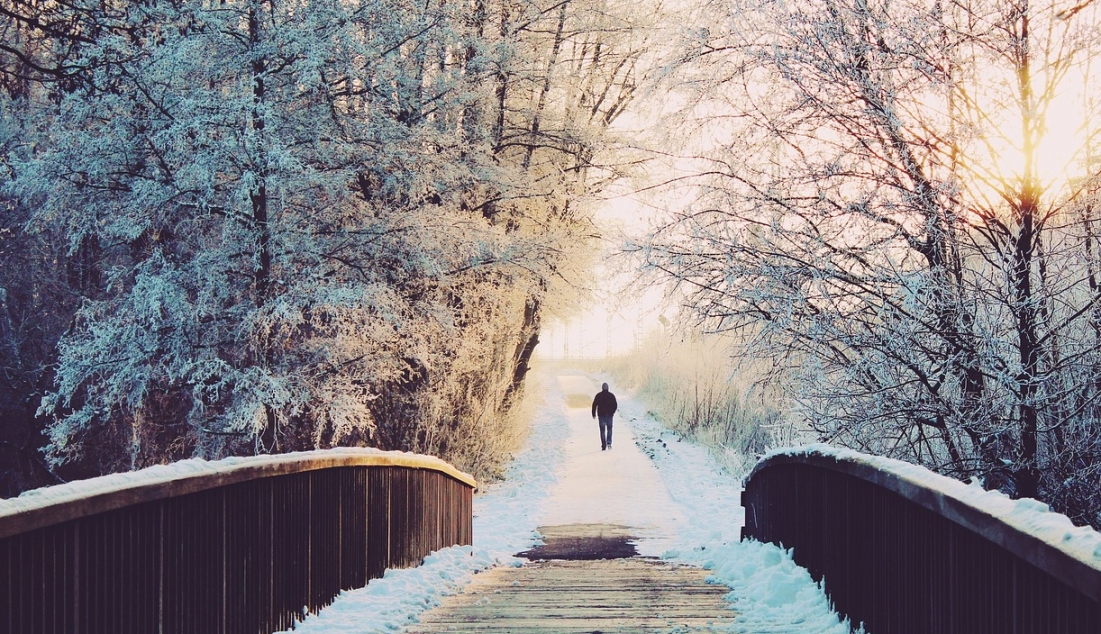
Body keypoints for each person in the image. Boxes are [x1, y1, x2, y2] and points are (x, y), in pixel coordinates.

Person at [591, 382, 618, 451]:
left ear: (602, 388)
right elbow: (615, 405)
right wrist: (612, 412)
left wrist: (593, 414)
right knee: (609, 429)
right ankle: (609, 443)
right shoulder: (611, 395)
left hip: (601, 415)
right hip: (609, 415)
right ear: (608, 388)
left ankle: (603, 445)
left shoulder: (598, 395)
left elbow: (594, 405)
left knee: (602, 430)